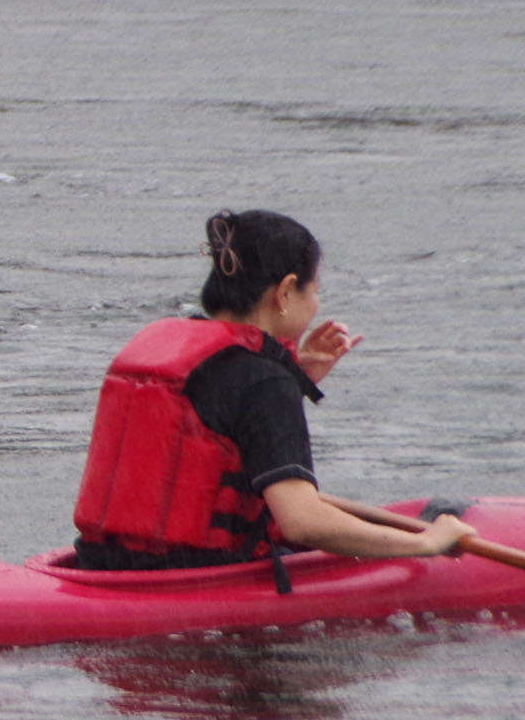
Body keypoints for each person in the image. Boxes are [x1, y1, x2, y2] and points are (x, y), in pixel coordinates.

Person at [71, 209, 476, 572]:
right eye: (314, 291)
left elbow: (216, 427)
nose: (316, 303)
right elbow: (302, 522)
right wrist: (425, 542)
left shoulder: (177, 349)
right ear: (285, 292)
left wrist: (296, 377)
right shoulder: (263, 381)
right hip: (198, 575)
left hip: (103, 562)